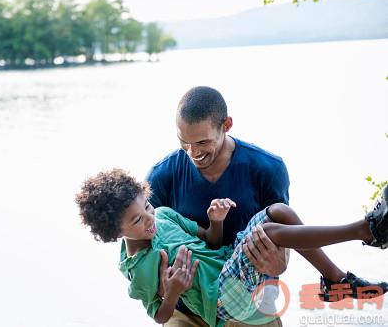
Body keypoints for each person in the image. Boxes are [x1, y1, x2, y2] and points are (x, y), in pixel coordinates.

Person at [75, 169, 388, 327]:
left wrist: (217, 221)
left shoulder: (165, 215)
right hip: (221, 300)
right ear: (115, 232)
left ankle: (336, 281)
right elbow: (159, 315)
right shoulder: (138, 266)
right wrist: (172, 291)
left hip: (227, 265)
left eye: (147, 208)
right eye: (136, 221)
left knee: (279, 211)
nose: (148, 221)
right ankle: (366, 230)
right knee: (269, 232)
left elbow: (210, 240)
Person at [146, 86, 289, 326]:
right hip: (187, 310)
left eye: (203, 142)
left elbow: (283, 238)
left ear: (227, 125)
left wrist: (280, 264)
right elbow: (139, 240)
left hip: (249, 304)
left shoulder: (268, 169)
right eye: (184, 142)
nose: (193, 153)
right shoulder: (161, 176)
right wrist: (161, 280)